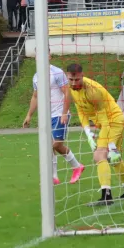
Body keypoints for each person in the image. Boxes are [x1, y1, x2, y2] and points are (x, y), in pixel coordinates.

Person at [66, 63, 124, 206]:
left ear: (82, 76)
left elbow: (105, 121)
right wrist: (87, 132)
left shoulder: (93, 91)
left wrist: (111, 146)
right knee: (113, 158)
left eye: (77, 80)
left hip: (113, 121)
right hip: (105, 123)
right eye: (71, 80)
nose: (74, 83)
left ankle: (106, 196)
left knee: (100, 155)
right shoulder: (71, 88)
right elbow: (81, 111)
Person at [23, 52, 84, 185]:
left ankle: (77, 166)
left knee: (56, 145)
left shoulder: (56, 72)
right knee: (48, 146)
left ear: (49, 56)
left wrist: (64, 112)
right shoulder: (36, 76)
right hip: (46, 116)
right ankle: (54, 176)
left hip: (59, 115)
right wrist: (29, 115)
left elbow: (67, 92)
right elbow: (35, 96)